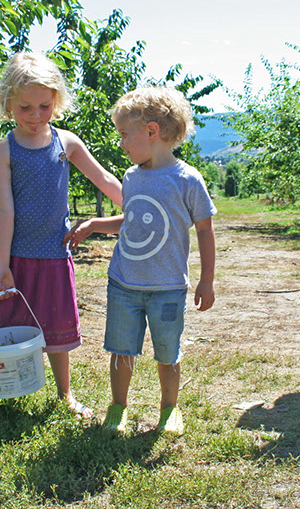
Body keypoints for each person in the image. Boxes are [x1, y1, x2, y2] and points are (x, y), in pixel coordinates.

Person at [0, 52, 123, 422]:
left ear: (57, 103)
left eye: (44, 106)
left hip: (52, 254)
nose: (36, 115)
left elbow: (104, 181)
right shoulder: (4, 150)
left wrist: (142, 203)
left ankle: (65, 395)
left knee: (55, 328)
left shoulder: (66, 143)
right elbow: (3, 209)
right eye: (25, 107)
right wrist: (1, 265)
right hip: (5, 254)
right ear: (7, 103)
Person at [63, 86, 216, 435]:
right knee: (120, 349)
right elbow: (135, 221)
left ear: (151, 131)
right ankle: (118, 406)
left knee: (168, 351)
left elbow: (205, 232)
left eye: (124, 135)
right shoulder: (131, 178)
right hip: (124, 283)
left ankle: (169, 409)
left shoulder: (187, 180)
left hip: (167, 287)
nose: (121, 144)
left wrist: (206, 280)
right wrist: (95, 225)